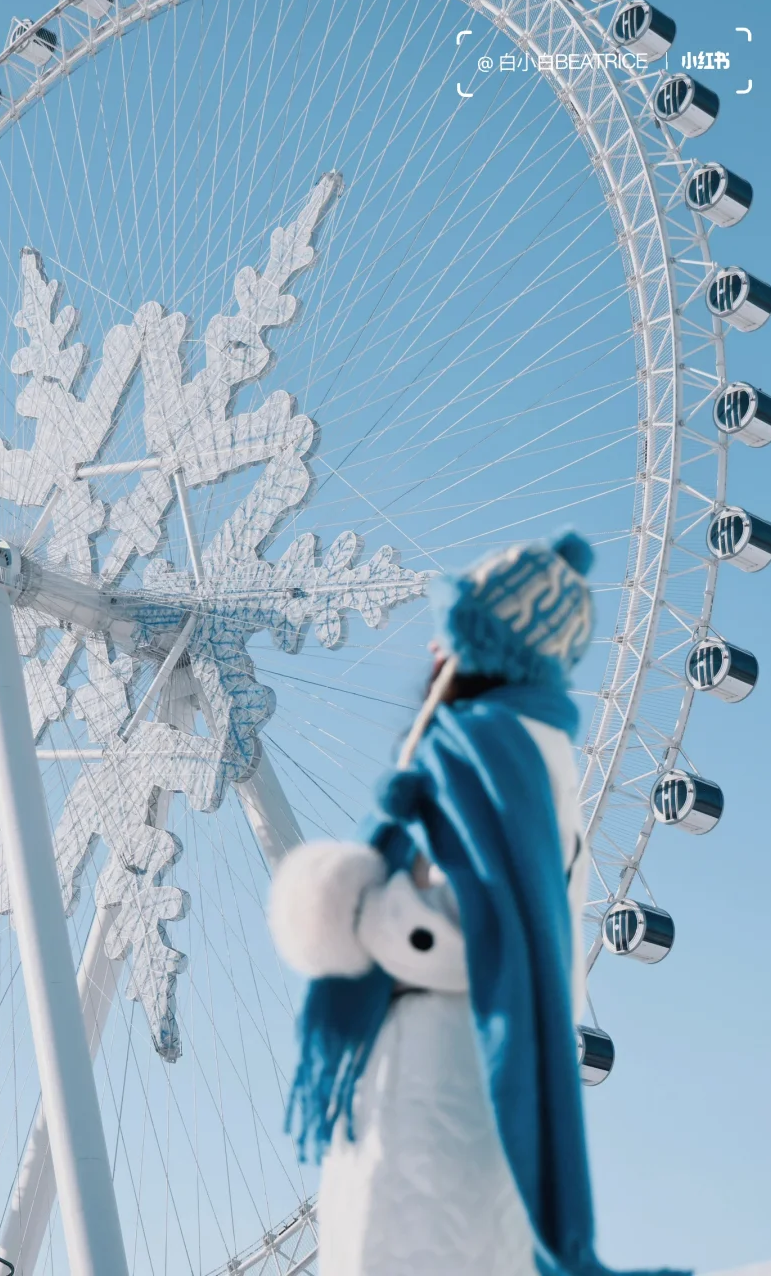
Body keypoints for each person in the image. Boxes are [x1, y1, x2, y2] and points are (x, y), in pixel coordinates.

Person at [267, 534, 686, 1276]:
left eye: (450, 626)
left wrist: (357, 915)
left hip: (440, 1075)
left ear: (483, 641)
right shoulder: (521, 745)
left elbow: (473, 924)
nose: (432, 646)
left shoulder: (489, 745)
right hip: (450, 1068)